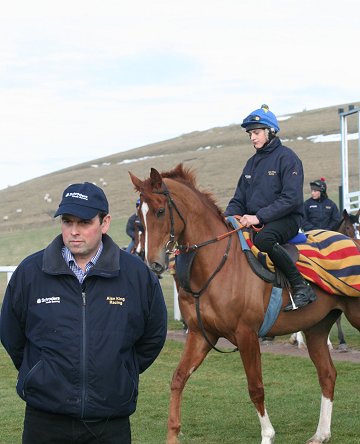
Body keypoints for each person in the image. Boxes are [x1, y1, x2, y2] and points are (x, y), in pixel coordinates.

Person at [0, 182, 167, 444]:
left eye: (85, 222)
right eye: (67, 221)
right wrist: (40, 371)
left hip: (110, 423)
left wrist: (120, 369)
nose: (74, 231)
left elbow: (153, 336)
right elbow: (12, 335)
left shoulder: (137, 275)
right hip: (44, 420)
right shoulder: (30, 273)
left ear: (105, 222)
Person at [224, 104, 316, 311]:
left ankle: (301, 287)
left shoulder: (288, 158)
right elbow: (239, 198)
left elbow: (291, 199)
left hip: (287, 219)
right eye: (250, 134)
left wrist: (259, 218)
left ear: (270, 131)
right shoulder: (250, 163)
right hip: (261, 219)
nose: (252, 138)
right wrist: (227, 217)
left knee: (264, 239)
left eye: (256, 133)